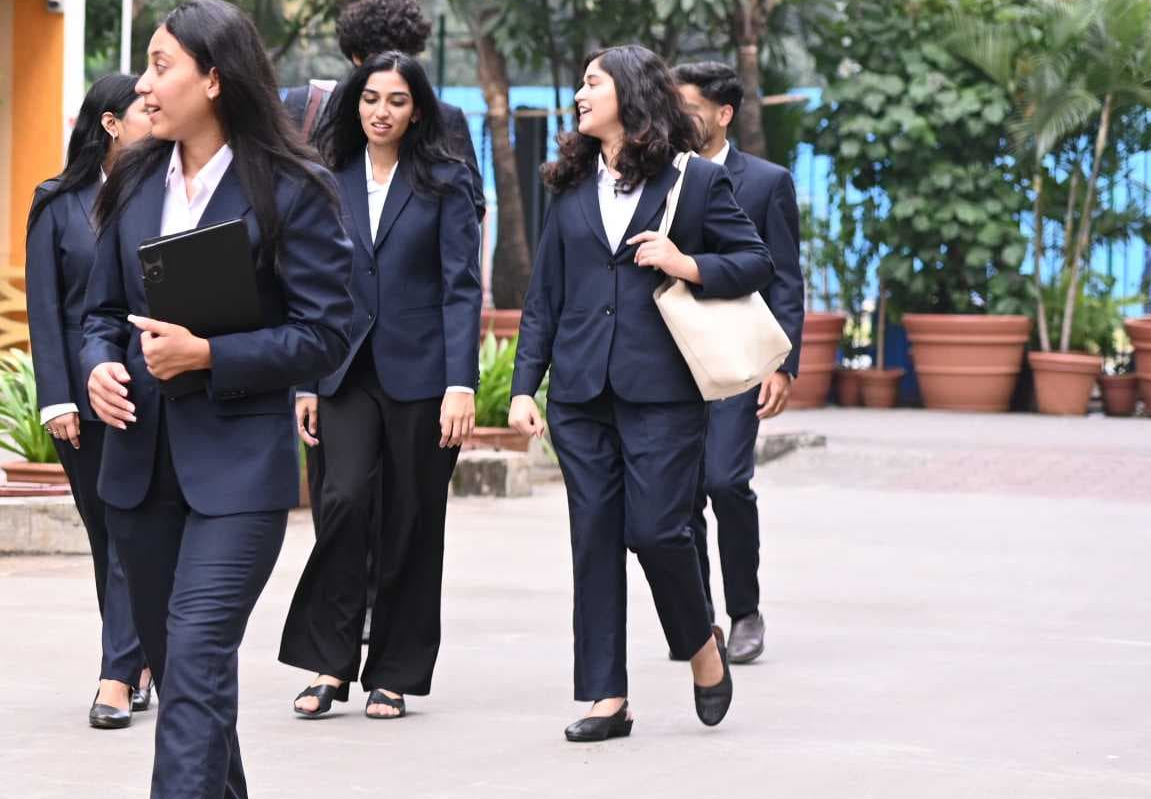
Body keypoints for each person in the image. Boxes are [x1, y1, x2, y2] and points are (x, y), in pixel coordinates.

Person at [83, 0, 360, 799]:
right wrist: (98, 366)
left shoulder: (292, 188)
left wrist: (212, 354)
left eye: (162, 64)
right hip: (139, 462)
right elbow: (97, 310)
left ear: (214, 76)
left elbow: (327, 333)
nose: (144, 82)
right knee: (178, 664)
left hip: (237, 466)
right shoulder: (133, 176)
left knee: (198, 656)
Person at [508, 46, 770, 744]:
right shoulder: (568, 185)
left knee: (657, 531)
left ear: (629, 93)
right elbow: (545, 297)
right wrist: (524, 387)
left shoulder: (695, 180)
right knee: (593, 539)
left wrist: (686, 263)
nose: (579, 94)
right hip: (580, 394)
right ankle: (606, 697)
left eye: (592, 83)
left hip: (662, 391)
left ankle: (701, 644)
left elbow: (755, 261)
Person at [282, 52, 483, 719]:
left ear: (416, 110)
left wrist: (461, 384)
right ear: (355, 103)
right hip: (342, 368)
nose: (381, 111)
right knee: (340, 502)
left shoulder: (445, 180)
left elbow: (461, 286)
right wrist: (305, 382)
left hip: (422, 374)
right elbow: (308, 282)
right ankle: (330, 662)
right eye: (371, 98)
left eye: (396, 100)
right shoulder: (326, 177)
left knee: (411, 518)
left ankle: (395, 670)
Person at [25, 69, 166, 729]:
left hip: (152, 392)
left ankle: (118, 672)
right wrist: (56, 398)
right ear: (111, 123)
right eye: (143, 110)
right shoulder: (57, 202)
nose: (156, 117)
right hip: (83, 401)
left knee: (131, 532)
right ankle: (138, 658)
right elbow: (45, 307)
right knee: (106, 534)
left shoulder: (169, 194)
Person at [671, 63, 803, 667]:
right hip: (670, 356)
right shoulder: (660, 174)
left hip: (738, 358)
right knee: (682, 493)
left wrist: (783, 365)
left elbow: (785, 277)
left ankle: (745, 610)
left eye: (690, 108)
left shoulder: (767, 182)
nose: (678, 119)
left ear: (723, 114)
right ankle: (701, 623)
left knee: (725, 481)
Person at [285, 0, 434, 140]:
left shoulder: (437, 120)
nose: (390, 67)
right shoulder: (306, 105)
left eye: (397, 102)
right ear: (356, 56)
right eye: (379, 61)